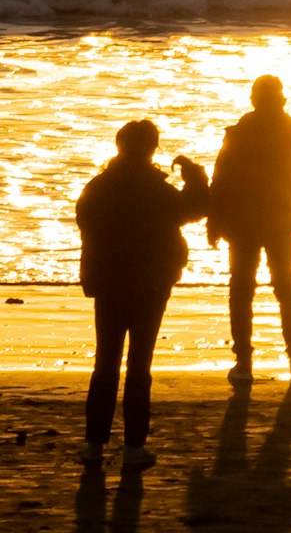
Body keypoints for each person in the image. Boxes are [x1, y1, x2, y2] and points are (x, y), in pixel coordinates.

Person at [75, 118, 213, 456]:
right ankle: (134, 446)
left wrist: (92, 275)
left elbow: (86, 227)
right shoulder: (157, 190)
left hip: (109, 282)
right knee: (139, 364)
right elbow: (195, 209)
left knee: (105, 362)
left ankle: (95, 442)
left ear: (119, 146)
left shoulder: (98, 187)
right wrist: (195, 176)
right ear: (152, 149)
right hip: (150, 283)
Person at [208, 73, 291, 384]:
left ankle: (244, 363)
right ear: (279, 98)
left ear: (255, 100)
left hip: (244, 224)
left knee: (242, 291)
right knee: (287, 289)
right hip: (280, 224)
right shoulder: (288, 131)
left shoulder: (240, 131)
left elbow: (221, 180)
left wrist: (214, 222)